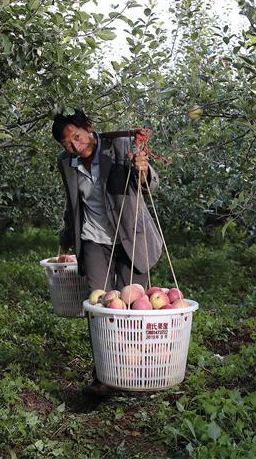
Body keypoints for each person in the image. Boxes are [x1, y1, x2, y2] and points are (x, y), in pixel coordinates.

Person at [52, 110, 163, 398]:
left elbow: (149, 184)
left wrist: (142, 169)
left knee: (136, 306)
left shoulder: (121, 147)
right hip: (94, 240)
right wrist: (66, 240)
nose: (76, 147)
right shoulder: (68, 164)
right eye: (68, 144)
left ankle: (139, 372)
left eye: (78, 137)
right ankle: (104, 376)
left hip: (130, 238)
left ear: (89, 128)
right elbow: (73, 205)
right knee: (100, 308)